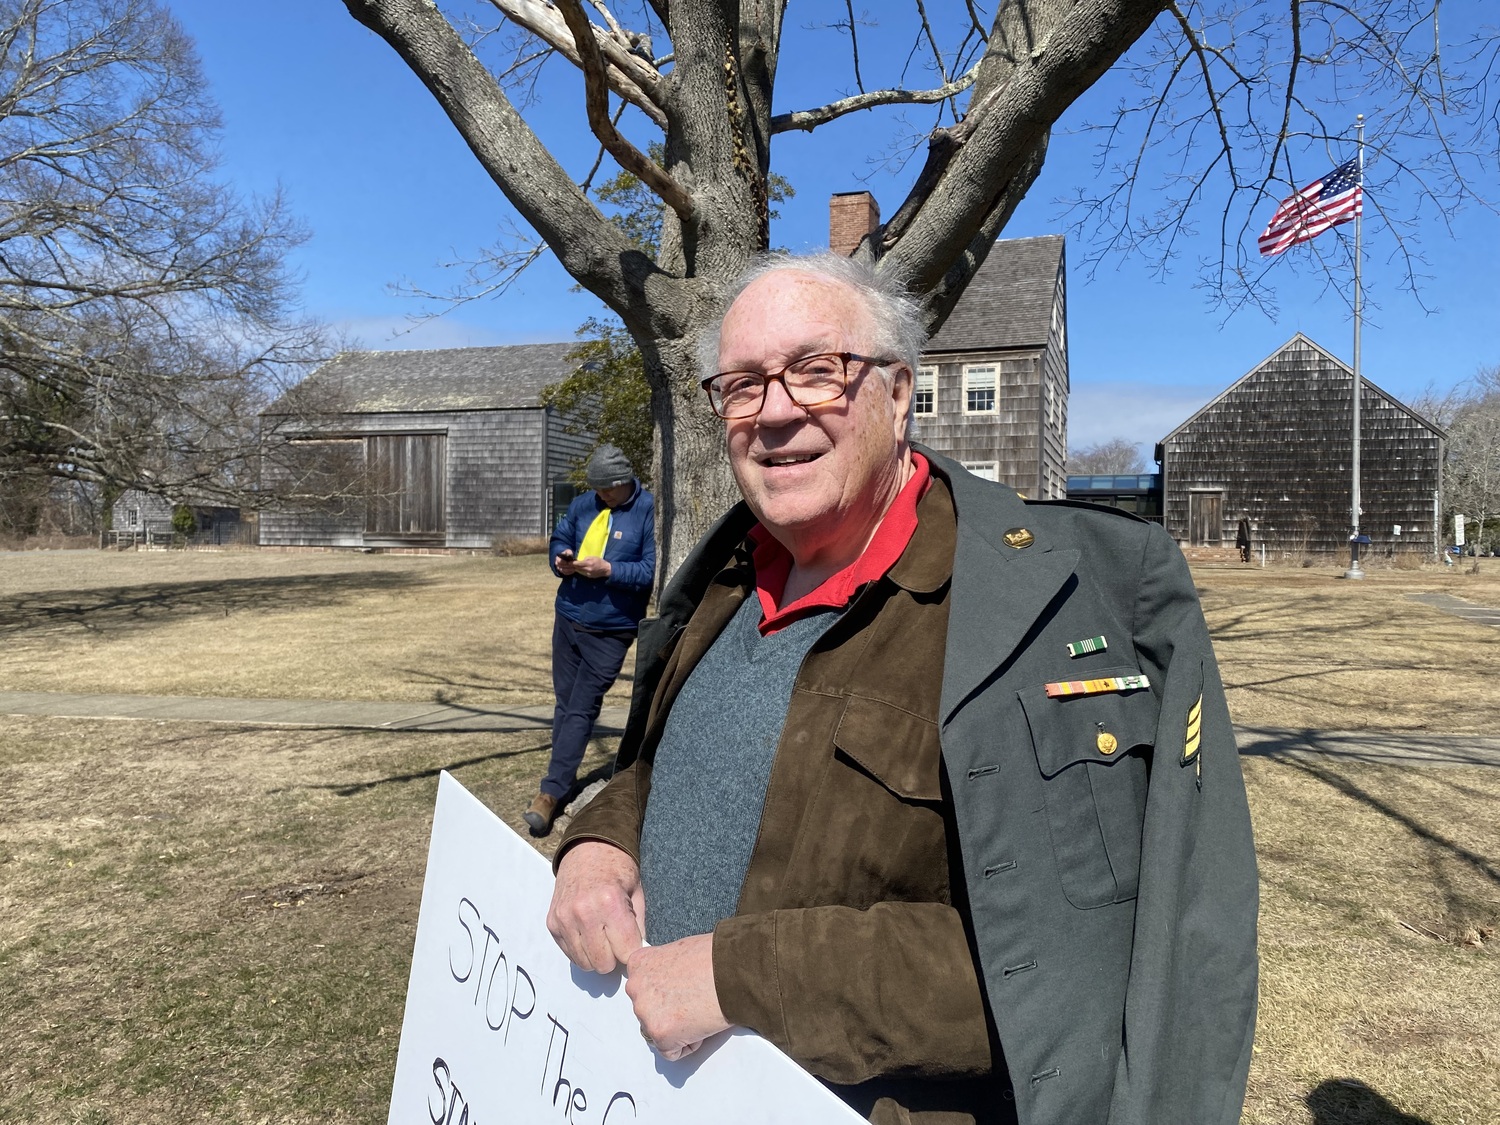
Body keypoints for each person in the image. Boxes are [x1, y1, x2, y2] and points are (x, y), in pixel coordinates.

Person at [545, 253, 1258, 1125]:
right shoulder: (725, 581)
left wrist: (742, 977)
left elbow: (1067, 964)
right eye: (741, 385)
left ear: (896, 393)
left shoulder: (1023, 615)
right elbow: (661, 766)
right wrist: (599, 841)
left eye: (816, 372)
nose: (773, 413)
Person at [523, 444, 655, 836]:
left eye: (607, 490)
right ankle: (560, 780)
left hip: (611, 629)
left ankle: (549, 794)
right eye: (596, 489)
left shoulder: (647, 510)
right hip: (568, 617)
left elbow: (650, 569)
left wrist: (610, 569)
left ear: (623, 482)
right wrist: (560, 559)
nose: (601, 496)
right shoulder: (584, 504)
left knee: (580, 707)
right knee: (565, 704)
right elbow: (559, 536)